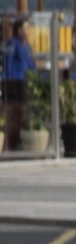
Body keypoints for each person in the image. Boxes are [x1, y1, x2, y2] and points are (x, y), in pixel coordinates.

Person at [4, 19, 36, 150]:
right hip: (15, 81)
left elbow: (30, 63)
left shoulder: (26, 44)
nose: (28, 30)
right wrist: (9, 80)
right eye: (25, 27)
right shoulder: (13, 42)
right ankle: (13, 139)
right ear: (19, 30)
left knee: (25, 110)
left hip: (25, 81)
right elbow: (8, 63)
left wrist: (35, 77)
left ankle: (21, 136)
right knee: (15, 111)